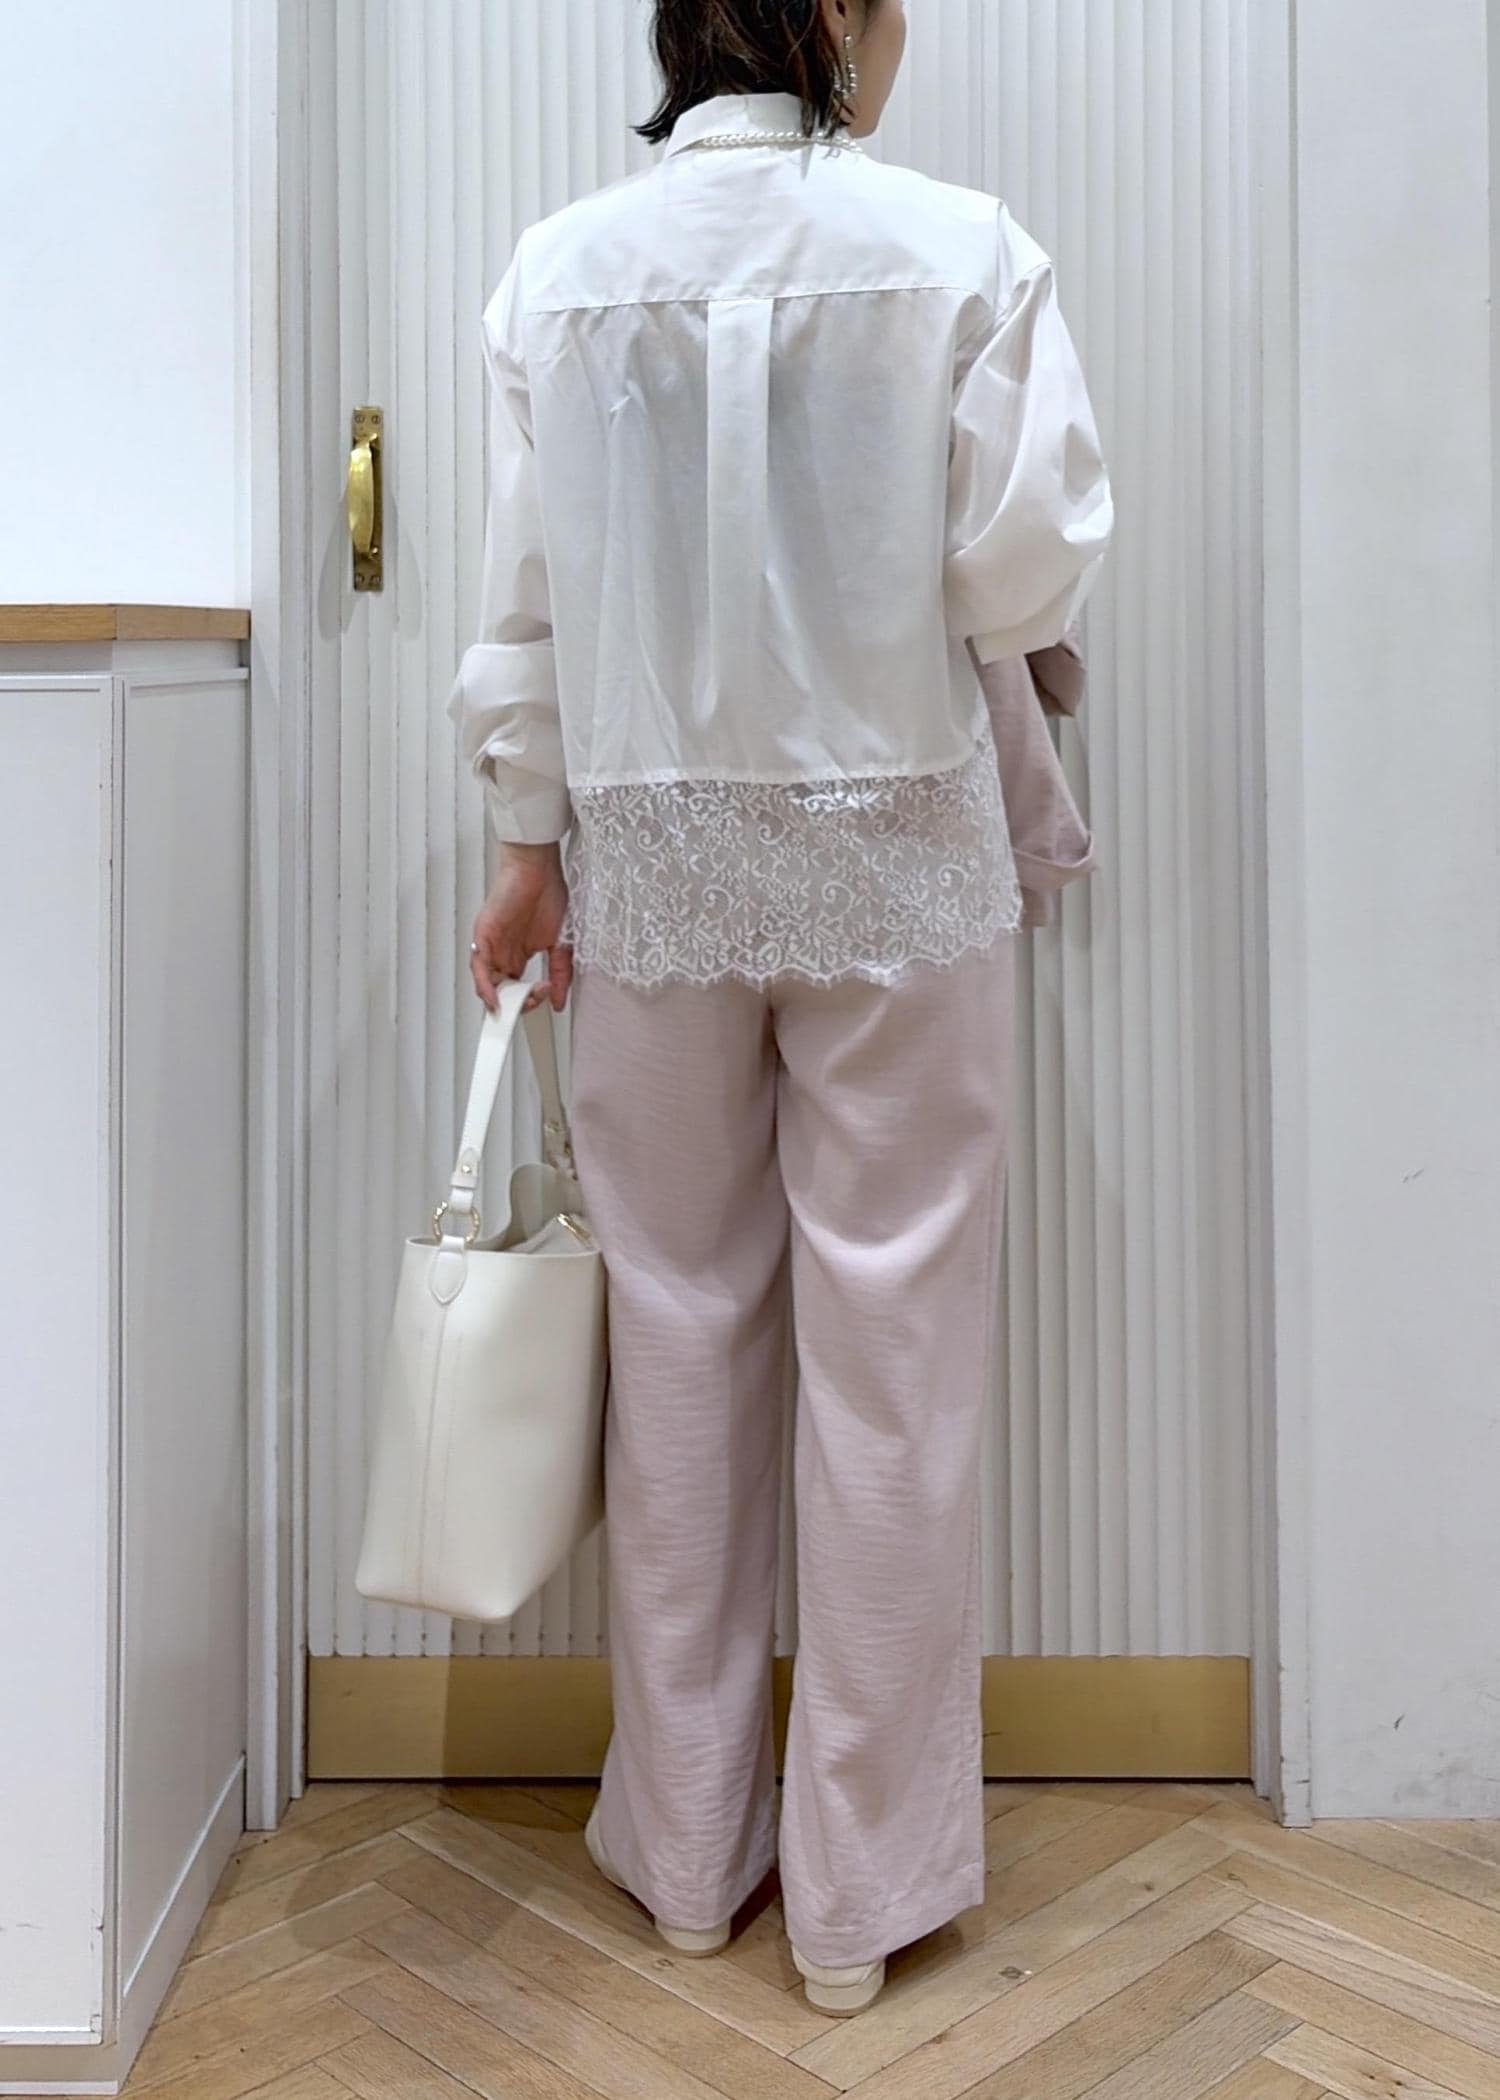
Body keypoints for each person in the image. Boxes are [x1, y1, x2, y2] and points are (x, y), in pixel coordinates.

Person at [446, 0, 1113, 2017]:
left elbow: (523, 606)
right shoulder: (961, 249)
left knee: (679, 1334)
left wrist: (526, 841)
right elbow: (1027, 569)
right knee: (895, 1360)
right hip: (897, 847)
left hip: (654, 854)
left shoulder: (559, 274)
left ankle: (682, 1859)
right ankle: (857, 1901)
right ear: (830, 16)